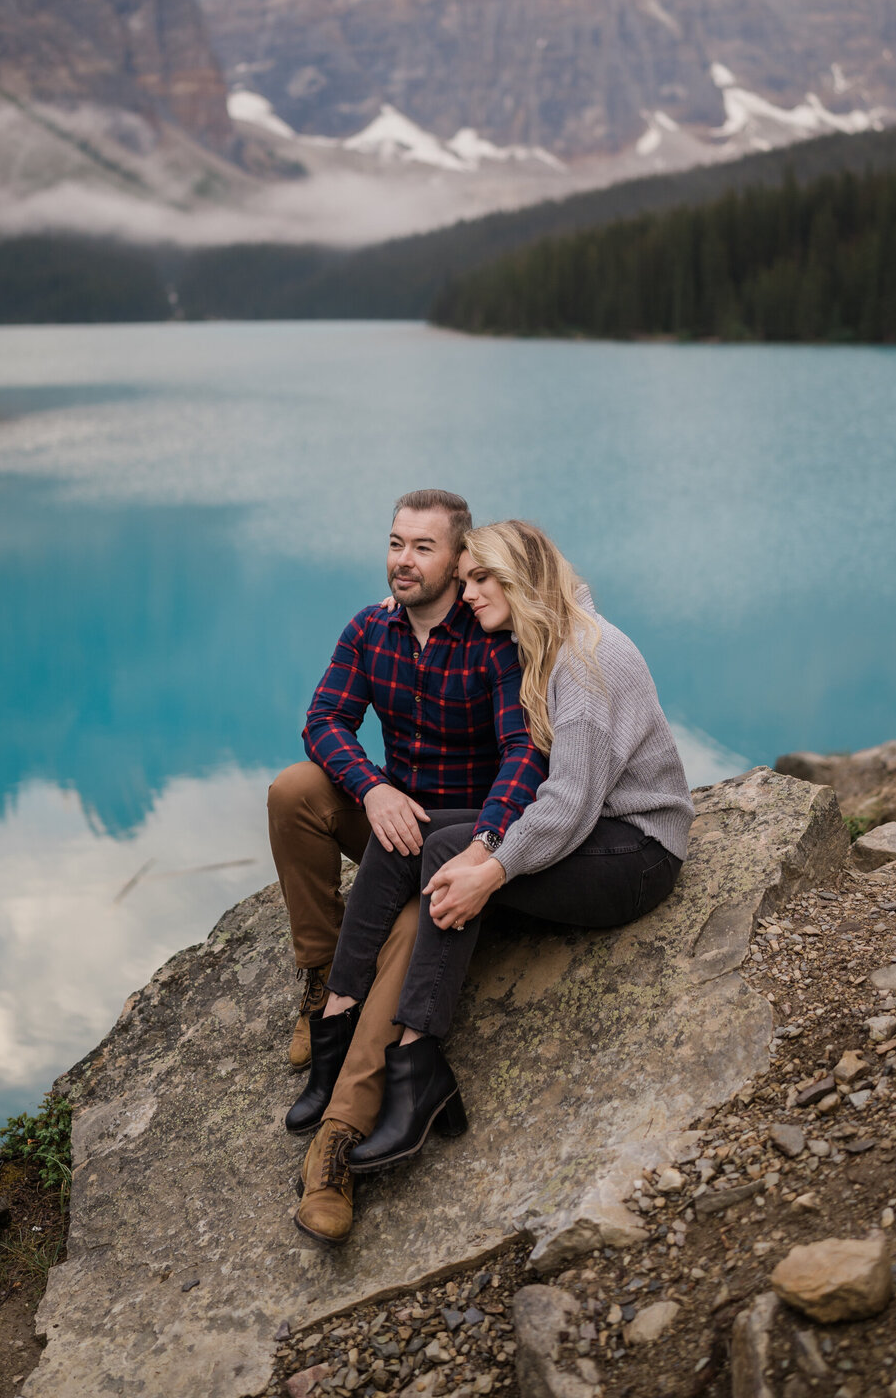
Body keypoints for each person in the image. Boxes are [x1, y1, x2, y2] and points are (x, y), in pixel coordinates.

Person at [295, 519, 693, 1240]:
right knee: (425, 841)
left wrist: (493, 867)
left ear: (522, 583)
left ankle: (413, 1066)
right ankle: (339, 1016)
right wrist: (479, 849)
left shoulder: (589, 660)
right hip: (592, 831)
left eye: (482, 580)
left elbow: (568, 805)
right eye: (469, 578)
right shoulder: (539, 637)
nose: (467, 591)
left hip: (635, 853)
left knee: (456, 871)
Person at [267, 490, 547, 1243]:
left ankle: (338, 1136)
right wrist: (373, 786)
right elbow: (322, 721)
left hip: (459, 843)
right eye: (396, 542)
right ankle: (320, 984)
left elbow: (526, 751)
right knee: (295, 790)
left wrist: (485, 846)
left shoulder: (493, 637)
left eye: (423, 547)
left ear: (461, 561)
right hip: (393, 822)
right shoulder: (369, 629)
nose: (403, 560)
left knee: (413, 929)